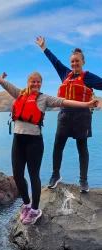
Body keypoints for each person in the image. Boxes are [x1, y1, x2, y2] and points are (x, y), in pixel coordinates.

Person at [0, 60, 98, 224]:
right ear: (28, 83)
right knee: (18, 175)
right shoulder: (19, 94)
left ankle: (35, 209)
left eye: (38, 82)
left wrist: (86, 104)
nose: (35, 84)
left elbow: (64, 102)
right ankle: (27, 205)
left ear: (41, 84)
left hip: (34, 142)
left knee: (33, 175)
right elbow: (2, 82)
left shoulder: (44, 99)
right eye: (32, 81)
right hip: (18, 140)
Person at [36, 36, 102, 192]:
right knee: (58, 146)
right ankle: (55, 175)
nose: (74, 64)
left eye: (77, 61)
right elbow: (55, 62)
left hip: (82, 116)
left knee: (82, 147)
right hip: (64, 116)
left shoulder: (88, 77)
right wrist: (44, 47)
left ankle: (83, 181)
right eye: (72, 61)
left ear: (83, 62)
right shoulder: (65, 73)